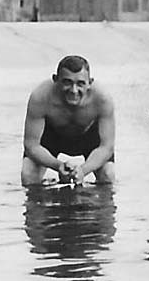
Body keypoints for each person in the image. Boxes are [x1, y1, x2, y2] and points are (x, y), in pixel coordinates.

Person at [21, 55, 116, 186]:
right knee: (28, 174)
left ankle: (99, 205)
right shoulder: (40, 97)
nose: (74, 90)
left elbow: (106, 147)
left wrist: (83, 171)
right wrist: (58, 165)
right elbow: (31, 145)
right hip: (52, 136)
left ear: (90, 83)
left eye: (80, 83)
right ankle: (39, 204)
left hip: (88, 137)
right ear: (55, 80)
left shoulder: (102, 99)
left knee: (108, 174)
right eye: (67, 82)